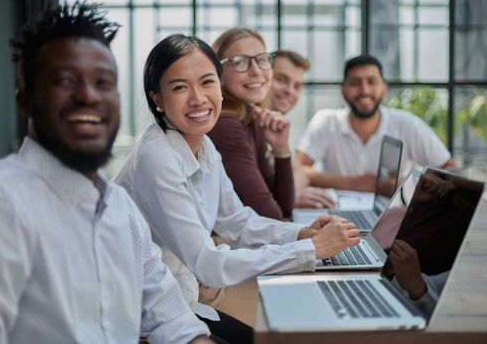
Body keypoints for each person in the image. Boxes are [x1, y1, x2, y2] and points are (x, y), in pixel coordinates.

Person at [0, 1, 212, 344]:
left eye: (103, 82)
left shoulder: (119, 206)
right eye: (66, 81)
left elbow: (172, 319)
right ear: (25, 99)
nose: (88, 95)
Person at [114, 33, 360, 342]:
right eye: (180, 87)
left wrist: (301, 234)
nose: (198, 98)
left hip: (181, 300)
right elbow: (208, 265)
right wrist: (312, 249)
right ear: (157, 99)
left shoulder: (204, 146)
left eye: (207, 82)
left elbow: (237, 220)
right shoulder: (156, 156)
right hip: (142, 318)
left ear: (220, 85)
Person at [296, 54, 455, 192]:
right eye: (355, 82)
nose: (364, 90)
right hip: (335, 214)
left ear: (384, 89)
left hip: (390, 212)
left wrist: (409, 185)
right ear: (343, 91)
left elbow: (447, 168)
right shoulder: (326, 121)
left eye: (372, 82)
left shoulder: (406, 123)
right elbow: (297, 169)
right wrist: (359, 183)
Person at [207, 28, 295, 219]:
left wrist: (281, 149)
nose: (256, 71)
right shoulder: (226, 124)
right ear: (218, 74)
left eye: (262, 60)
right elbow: (271, 216)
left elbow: (284, 207)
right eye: (240, 62)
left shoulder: (251, 117)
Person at [271, 50, 336, 209]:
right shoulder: (250, 125)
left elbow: (301, 175)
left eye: (297, 86)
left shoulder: (276, 125)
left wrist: (291, 193)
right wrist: (288, 197)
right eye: (281, 79)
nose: (290, 91)